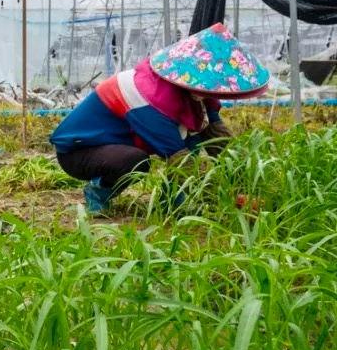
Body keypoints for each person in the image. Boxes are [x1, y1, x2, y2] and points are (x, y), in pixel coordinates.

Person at [50, 23, 268, 215]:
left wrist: (244, 185)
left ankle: (172, 201)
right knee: (137, 160)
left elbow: (218, 139)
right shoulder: (147, 98)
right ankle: (98, 192)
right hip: (80, 152)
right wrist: (225, 197)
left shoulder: (199, 90)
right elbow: (181, 160)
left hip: (119, 142)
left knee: (193, 137)